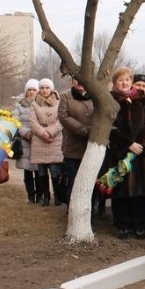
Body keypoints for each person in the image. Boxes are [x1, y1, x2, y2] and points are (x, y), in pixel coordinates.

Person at [104, 67, 145, 239]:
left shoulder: (141, 100)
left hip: (140, 156)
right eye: (121, 80)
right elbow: (110, 128)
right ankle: (122, 225)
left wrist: (140, 146)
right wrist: (128, 145)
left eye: (127, 79)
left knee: (139, 194)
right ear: (115, 83)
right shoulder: (110, 101)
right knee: (120, 193)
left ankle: (139, 226)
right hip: (119, 154)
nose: (124, 83)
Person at [58, 75, 94, 206]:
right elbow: (63, 117)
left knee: (90, 182)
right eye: (76, 79)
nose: (80, 82)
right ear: (72, 81)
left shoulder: (95, 96)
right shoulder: (65, 97)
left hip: (92, 145)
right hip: (73, 146)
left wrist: (95, 130)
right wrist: (83, 130)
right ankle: (72, 209)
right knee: (73, 181)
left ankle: (89, 209)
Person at [30, 78, 65, 206]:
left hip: (55, 139)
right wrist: (43, 133)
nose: (44, 90)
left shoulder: (59, 102)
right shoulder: (34, 104)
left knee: (55, 171)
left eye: (47, 88)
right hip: (39, 140)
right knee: (42, 171)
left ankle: (57, 196)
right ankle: (46, 196)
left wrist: (50, 132)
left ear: (51, 89)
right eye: (42, 88)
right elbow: (33, 121)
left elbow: (62, 119)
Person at [12, 79, 39, 204]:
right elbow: (15, 121)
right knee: (27, 171)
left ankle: (40, 196)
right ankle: (30, 196)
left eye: (34, 89)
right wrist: (26, 133)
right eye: (29, 90)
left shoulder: (41, 104)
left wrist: (37, 133)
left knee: (40, 171)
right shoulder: (19, 106)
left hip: (39, 141)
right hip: (25, 141)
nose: (31, 92)